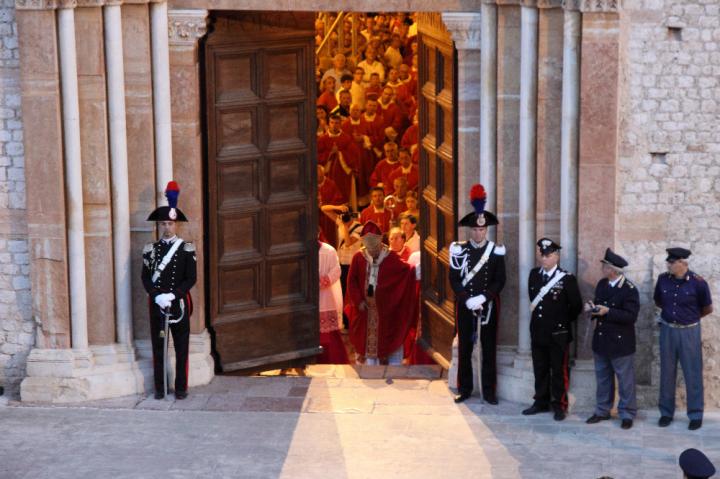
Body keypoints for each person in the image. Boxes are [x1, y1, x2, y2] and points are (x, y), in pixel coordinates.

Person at [449, 184, 506, 404]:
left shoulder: (496, 251)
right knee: (465, 347)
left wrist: (484, 298)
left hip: (488, 306)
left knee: (488, 348)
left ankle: (489, 391)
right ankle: (465, 388)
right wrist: (467, 299)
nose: (478, 233)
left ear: (487, 230)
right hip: (465, 305)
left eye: (482, 230)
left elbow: (500, 280)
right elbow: (454, 278)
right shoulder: (459, 249)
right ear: (469, 230)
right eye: (474, 230)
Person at [141, 181, 197, 400]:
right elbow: (145, 277)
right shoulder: (150, 249)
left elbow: (191, 277)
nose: (166, 227)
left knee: (182, 347)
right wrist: (157, 296)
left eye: (170, 224)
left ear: (176, 225)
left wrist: (173, 295)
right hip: (158, 304)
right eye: (163, 223)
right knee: (159, 348)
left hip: (178, 303)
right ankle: (160, 388)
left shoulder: (186, 248)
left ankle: (181, 388)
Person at [522, 237, 582, 420]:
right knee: (539, 368)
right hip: (538, 331)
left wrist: (561, 323)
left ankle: (559, 405)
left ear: (556, 256)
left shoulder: (567, 279)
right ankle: (540, 401)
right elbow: (533, 298)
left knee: (558, 370)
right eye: (542, 255)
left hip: (558, 334)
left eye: (548, 255)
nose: (544, 259)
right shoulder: (534, 275)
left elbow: (576, 307)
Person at [654, 247, 713, 430]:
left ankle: (695, 414)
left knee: (692, 373)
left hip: (689, 332)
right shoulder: (663, 279)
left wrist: (688, 319)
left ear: (683, 263)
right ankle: (666, 412)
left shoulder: (698, 283)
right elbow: (658, 301)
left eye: (672, 262)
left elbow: (707, 308)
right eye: (668, 262)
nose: (668, 265)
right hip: (668, 330)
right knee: (667, 373)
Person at [344, 221, 417, 365]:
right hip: (365, 309)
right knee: (365, 342)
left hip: (385, 310)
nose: (371, 246)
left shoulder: (389, 256)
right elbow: (352, 281)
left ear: (379, 239)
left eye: (374, 241)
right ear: (363, 240)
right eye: (367, 241)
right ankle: (370, 367)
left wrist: (418, 268)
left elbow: (405, 271)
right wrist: (358, 301)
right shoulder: (358, 257)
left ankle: (390, 366)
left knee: (388, 339)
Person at [585, 248, 640, 430]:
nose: (602, 268)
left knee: (625, 380)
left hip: (620, 342)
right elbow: (599, 305)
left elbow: (630, 316)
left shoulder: (629, 290)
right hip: (601, 339)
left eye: (605, 266)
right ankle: (602, 410)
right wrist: (592, 309)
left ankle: (627, 413)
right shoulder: (602, 284)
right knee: (603, 378)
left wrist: (608, 311)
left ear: (613, 270)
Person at [317, 240, 349, 364]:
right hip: (307, 298)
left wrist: (324, 281)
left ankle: (331, 360)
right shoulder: (300, 248)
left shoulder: (329, 250)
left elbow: (337, 270)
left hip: (325, 296)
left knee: (328, 335)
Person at [317, 113, 359, 206]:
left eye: (337, 123)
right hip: (328, 174)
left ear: (340, 124)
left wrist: (340, 153)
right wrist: (330, 153)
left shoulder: (346, 138)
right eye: (332, 123)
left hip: (343, 173)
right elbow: (317, 156)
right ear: (328, 123)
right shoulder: (322, 139)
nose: (334, 125)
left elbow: (354, 154)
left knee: (343, 197)